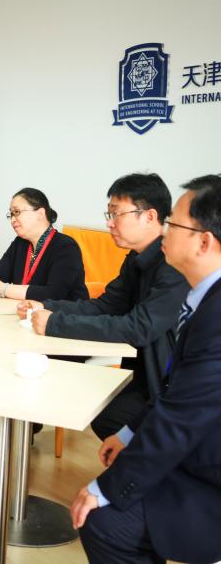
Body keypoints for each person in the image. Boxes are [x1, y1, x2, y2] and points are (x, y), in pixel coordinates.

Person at [71, 174, 221, 564]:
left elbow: (182, 416)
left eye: (174, 224)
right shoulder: (205, 298)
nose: (164, 231)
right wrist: (130, 432)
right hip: (197, 447)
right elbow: (177, 389)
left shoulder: (215, 313)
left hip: (208, 474)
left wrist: (106, 489)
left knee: (104, 522)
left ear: (204, 242)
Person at [18, 173, 188, 439]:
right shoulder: (136, 260)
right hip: (144, 374)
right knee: (99, 412)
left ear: (149, 216)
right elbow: (106, 305)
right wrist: (46, 306)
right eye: (109, 214)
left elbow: (138, 328)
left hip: (172, 387)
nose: (109, 223)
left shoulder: (173, 266)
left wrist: (54, 323)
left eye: (116, 214)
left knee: (107, 418)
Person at [0, 188, 89, 302]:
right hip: (26, 310)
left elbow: (53, 294)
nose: (13, 219)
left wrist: (4, 289)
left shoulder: (66, 247)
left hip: (63, 313)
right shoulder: (19, 243)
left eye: (17, 212)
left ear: (40, 214)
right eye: (11, 214)